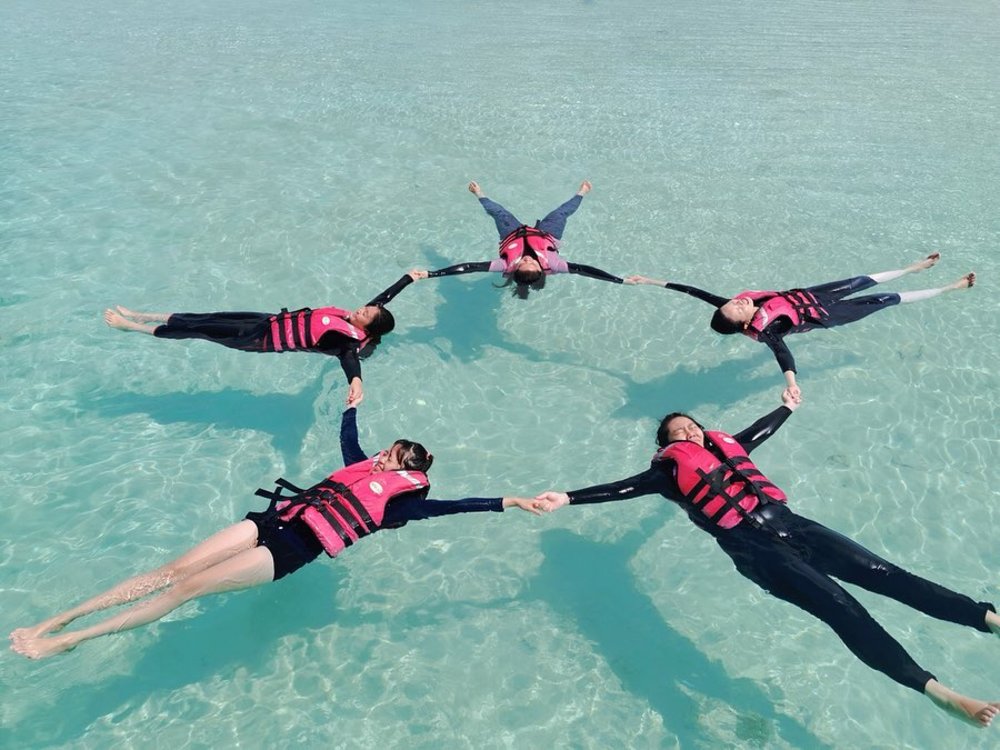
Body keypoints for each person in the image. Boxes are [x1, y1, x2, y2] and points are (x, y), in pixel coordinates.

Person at [533, 393, 1000, 728]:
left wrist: (788, 405)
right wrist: (568, 498)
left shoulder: (729, 447)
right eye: (679, 433)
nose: (690, 432)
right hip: (758, 552)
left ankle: (987, 618)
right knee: (843, 609)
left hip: (797, 527)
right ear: (666, 446)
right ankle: (939, 692)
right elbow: (621, 488)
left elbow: (761, 429)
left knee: (887, 576)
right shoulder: (667, 475)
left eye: (692, 425)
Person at [10, 406, 543, 659]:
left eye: (393, 457)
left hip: (291, 549)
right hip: (271, 521)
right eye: (387, 450)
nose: (381, 456)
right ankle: (60, 618)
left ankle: (71, 641)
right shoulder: (360, 465)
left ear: (404, 472)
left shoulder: (402, 509)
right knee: (171, 569)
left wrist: (512, 501)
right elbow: (349, 436)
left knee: (183, 590)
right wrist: (351, 400)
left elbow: (458, 506)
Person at [628, 254, 975, 400]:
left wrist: (649, 280)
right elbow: (782, 353)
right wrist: (791, 385)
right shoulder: (767, 330)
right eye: (737, 307)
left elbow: (691, 290)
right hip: (825, 315)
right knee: (882, 300)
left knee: (860, 280)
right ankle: (949, 289)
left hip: (812, 294)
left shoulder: (736, 307)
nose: (739, 300)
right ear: (745, 323)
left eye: (734, 301)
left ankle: (912, 267)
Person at [103, 271, 430, 407]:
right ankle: (144, 314)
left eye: (365, 314)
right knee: (207, 317)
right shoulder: (357, 317)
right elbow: (382, 300)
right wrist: (407, 279)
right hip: (266, 320)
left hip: (258, 338)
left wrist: (356, 381)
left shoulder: (343, 339)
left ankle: (131, 327)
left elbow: (349, 358)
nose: (362, 308)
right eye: (366, 308)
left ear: (367, 329)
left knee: (198, 330)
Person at [421, 181, 627, 297]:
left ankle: (479, 193)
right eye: (532, 264)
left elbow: (469, 267)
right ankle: (581, 192)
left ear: (514, 268)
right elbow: (585, 271)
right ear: (542, 270)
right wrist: (619, 280)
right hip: (548, 234)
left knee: (498, 212)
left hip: (512, 234)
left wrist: (432, 273)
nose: (528, 260)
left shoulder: (504, 264)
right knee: (562, 213)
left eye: (523, 264)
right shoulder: (554, 264)